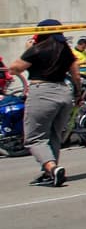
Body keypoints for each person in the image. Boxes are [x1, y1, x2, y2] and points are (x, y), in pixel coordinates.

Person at [6, 20, 82, 186]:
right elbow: (76, 75)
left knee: (34, 138)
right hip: (64, 92)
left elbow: (14, 69)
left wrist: (28, 50)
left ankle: (51, 168)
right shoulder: (66, 50)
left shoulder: (37, 49)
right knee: (54, 134)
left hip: (42, 93)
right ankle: (49, 173)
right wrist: (78, 94)